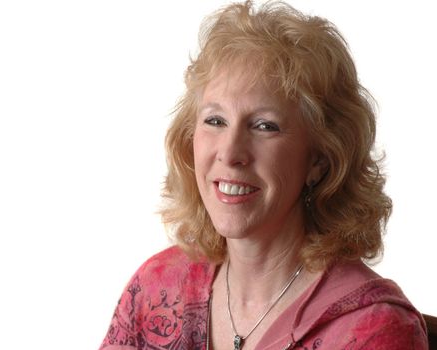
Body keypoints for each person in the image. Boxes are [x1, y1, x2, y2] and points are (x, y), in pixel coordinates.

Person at [99, 1, 428, 349]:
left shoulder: (371, 330)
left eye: (264, 126)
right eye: (215, 120)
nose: (229, 152)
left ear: (319, 158)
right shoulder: (157, 286)